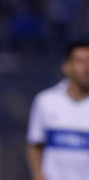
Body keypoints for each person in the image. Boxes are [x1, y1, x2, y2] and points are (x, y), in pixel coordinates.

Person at [26, 40, 89, 180]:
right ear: (66, 66)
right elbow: (35, 145)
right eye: (80, 61)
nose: (86, 68)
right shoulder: (45, 101)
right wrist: (38, 175)